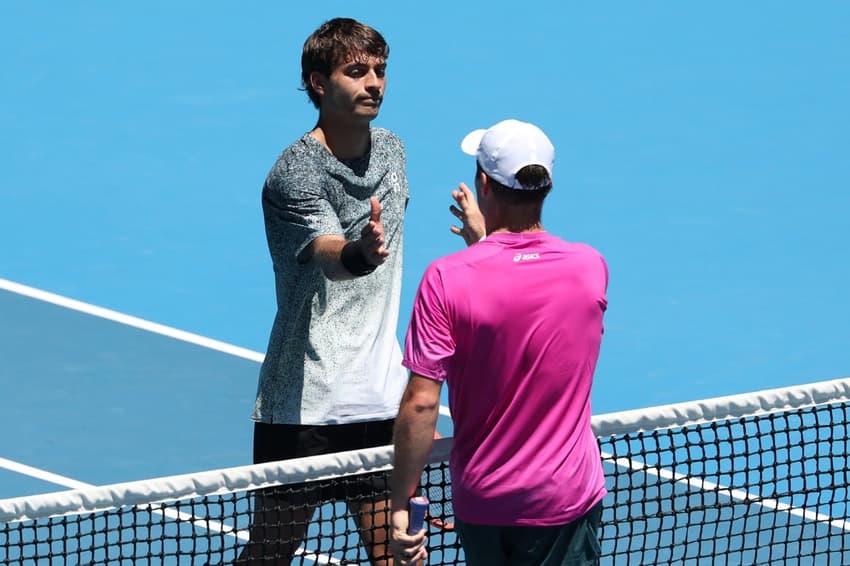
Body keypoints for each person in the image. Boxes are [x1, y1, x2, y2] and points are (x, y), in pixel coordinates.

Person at [389, 119, 609, 565]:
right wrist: (486, 246)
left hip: (486, 505)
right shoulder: (590, 269)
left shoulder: (447, 279)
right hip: (565, 500)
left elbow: (420, 404)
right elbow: (524, 296)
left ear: (483, 184)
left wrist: (398, 503)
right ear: (545, 187)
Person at [239, 17, 409, 565]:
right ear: (318, 83)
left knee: (398, 556)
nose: (374, 83)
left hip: (381, 396)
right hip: (304, 404)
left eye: (380, 70)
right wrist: (361, 252)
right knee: (272, 551)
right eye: (356, 71)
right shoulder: (294, 173)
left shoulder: (393, 152)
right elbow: (329, 255)